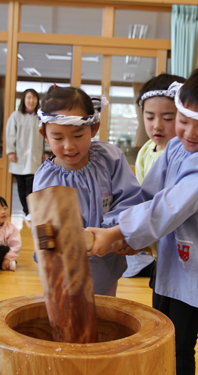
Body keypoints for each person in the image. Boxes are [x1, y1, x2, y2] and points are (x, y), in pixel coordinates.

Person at [87, 58, 198, 375]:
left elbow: (169, 207)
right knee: (173, 347)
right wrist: (117, 228)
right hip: (178, 265)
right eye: (184, 121)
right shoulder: (176, 147)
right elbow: (149, 194)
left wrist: (121, 233)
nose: (189, 133)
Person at [33, 85, 141, 296]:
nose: (68, 146)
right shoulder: (45, 178)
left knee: (106, 314)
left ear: (93, 128)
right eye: (58, 138)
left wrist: (114, 234)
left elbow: (130, 199)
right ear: (44, 134)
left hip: (107, 261)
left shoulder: (110, 159)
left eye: (77, 135)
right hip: (66, 271)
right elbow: (44, 230)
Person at [124, 74, 185, 299]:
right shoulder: (145, 151)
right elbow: (143, 198)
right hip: (159, 248)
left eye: (168, 118)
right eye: (150, 117)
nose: (157, 125)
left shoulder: (186, 153)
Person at [6, 89, 43, 218]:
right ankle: (25, 210)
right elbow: (10, 134)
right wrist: (10, 151)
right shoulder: (16, 116)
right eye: (28, 98)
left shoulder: (40, 117)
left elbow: (47, 135)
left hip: (35, 156)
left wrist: (47, 151)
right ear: (23, 100)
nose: (31, 101)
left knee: (32, 185)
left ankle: (30, 211)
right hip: (20, 156)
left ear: (37, 100)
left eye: (34, 98)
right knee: (21, 186)